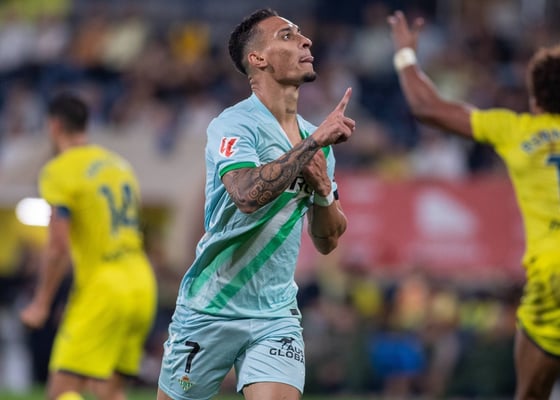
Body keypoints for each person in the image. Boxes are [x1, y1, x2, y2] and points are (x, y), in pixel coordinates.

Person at [157, 8, 355, 400]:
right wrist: (313, 145)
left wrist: (324, 190)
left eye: (301, 34)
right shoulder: (234, 125)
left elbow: (327, 240)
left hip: (275, 313)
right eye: (287, 35)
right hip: (211, 307)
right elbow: (247, 195)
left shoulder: (316, 139)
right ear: (257, 58)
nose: (305, 40)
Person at [388, 10, 560, 400]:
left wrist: (405, 55)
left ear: (535, 101)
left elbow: (428, 107)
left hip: (551, 273)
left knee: (531, 393)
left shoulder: (516, 129)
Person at [20, 92, 157, 400]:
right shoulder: (119, 165)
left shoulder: (59, 170)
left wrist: (41, 303)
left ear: (54, 126)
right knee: (110, 392)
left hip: (104, 287)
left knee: (61, 392)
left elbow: (57, 247)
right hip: (141, 283)